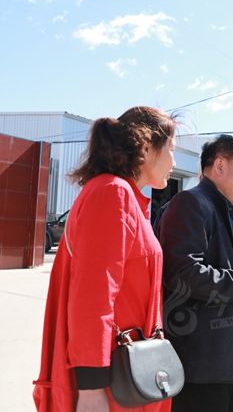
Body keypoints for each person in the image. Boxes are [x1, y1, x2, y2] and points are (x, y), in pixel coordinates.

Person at [33, 106, 178, 412]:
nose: (173, 162)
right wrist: (92, 389)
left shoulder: (126, 196)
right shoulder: (112, 192)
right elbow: (93, 296)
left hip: (128, 376)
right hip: (112, 385)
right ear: (147, 148)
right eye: (171, 149)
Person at [155, 135, 233, 412]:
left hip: (225, 359)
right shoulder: (191, 203)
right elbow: (184, 273)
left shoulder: (230, 210)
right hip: (199, 363)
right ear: (220, 166)